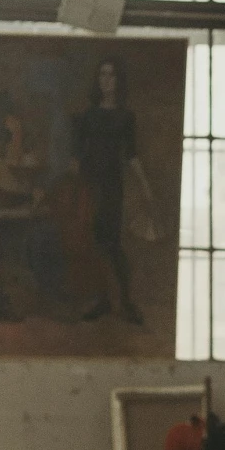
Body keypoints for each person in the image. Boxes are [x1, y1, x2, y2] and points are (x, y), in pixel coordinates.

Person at [71, 56, 156, 326]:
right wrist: (72, 187)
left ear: (118, 80)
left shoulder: (125, 117)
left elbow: (131, 155)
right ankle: (102, 299)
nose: (106, 80)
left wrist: (145, 187)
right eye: (102, 75)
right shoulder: (86, 116)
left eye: (111, 75)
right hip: (88, 184)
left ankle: (127, 301)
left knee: (112, 244)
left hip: (110, 186)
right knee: (92, 242)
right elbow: (76, 156)